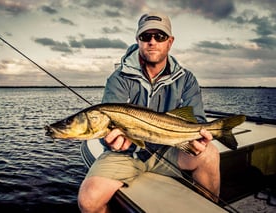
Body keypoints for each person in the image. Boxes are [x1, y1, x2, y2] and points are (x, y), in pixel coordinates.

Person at [78, 11, 220, 213]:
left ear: (170, 42)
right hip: (127, 153)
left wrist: (199, 139)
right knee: (88, 201)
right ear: (138, 40)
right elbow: (105, 125)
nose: (152, 42)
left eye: (159, 36)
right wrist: (109, 141)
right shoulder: (118, 78)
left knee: (210, 154)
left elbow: (197, 119)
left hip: (170, 148)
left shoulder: (187, 79)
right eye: (146, 36)